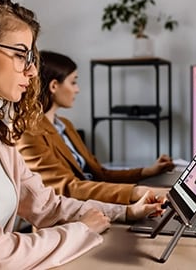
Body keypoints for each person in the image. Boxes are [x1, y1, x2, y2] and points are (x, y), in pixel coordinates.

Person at [0, 0, 165, 269]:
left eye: (31, 57)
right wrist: (82, 230)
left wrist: (126, 212)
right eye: (20, 54)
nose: (32, 71)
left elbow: (46, 205)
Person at [16, 50, 175, 204]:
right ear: (54, 86)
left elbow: (99, 173)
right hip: (68, 216)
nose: (77, 89)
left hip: (95, 204)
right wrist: (138, 192)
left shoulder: (65, 125)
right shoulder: (29, 133)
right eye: (73, 82)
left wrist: (148, 171)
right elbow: (66, 188)